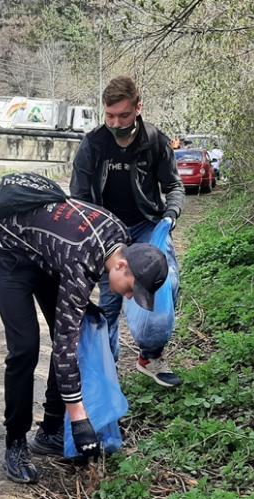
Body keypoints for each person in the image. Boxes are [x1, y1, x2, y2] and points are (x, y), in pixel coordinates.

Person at [0, 173, 169, 483]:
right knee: (26, 347)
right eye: (133, 289)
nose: (131, 297)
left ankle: (51, 431)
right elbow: (65, 346)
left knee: (76, 329)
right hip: (7, 253)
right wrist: (80, 419)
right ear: (122, 266)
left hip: (46, 254)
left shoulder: (120, 236)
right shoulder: (80, 261)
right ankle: (15, 444)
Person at [70, 76, 185, 388]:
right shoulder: (93, 144)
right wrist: (94, 238)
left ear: (138, 108)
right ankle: (108, 376)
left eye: (123, 115)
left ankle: (150, 355)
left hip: (147, 227)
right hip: (107, 234)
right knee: (109, 302)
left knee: (165, 284)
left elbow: (173, 186)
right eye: (109, 115)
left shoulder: (155, 141)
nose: (116, 122)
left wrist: (169, 216)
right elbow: (79, 198)